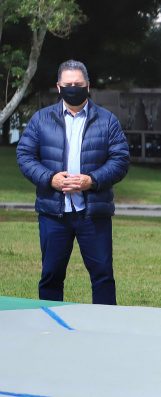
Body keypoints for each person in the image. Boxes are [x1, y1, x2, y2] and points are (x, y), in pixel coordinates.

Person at [16, 59, 129, 305]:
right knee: (51, 276)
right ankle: (51, 328)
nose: (73, 88)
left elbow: (120, 160)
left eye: (78, 83)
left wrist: (93, 180)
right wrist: (50, 179)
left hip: (93, 212)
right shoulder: (41, 119)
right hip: (53, 213)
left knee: (102, 276)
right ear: (58, 86)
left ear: (87, 85)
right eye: (68, 84)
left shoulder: (107, 120)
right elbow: (24, 156)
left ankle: (104, 329)